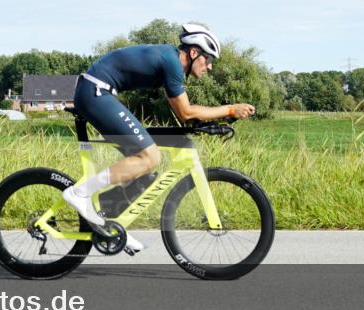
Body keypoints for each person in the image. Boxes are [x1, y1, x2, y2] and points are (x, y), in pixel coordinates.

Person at [62, 24, 256, 253]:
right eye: (208, 59)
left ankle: (108, 224)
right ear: (194, 53)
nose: (210, 67)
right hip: (96, 92)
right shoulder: (172, 63)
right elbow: (186, 112)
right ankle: (79, 193)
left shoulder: (169, 62)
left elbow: (183, 115)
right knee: (149, 156)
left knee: (144, 171)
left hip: (98, 92)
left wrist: (208, 122)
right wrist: (230, 110)